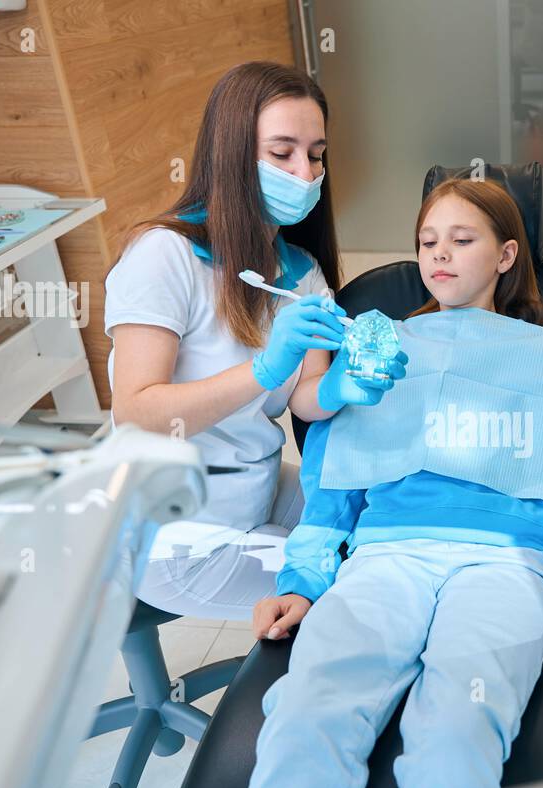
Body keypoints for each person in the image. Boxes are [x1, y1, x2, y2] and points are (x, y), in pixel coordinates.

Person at [231, 177, 543, 788]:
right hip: (386, 557)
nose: (439, 254)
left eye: (462, 239)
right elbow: (334, 489)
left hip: (507, 564)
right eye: (427, 241)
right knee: (307, 712)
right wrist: (303, 579)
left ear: (506, 256)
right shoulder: (377, 350)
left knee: (457, 723)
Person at [105, 62, 397, 620]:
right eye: (282, 152)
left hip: (257, 490)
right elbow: (139, 412)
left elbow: (306, 395)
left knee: (395, 521)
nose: (305, 172)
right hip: (177, 536)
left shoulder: (302, 271)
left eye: (315, 154)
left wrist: (344, 384)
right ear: (232, 154)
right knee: (365, 591)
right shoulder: (163, 256)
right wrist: (263, 369)